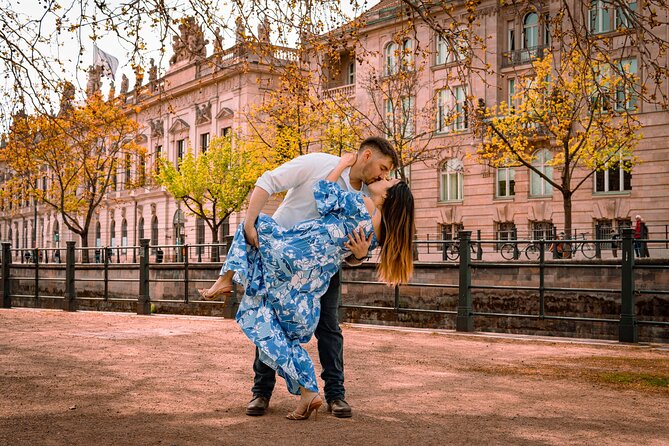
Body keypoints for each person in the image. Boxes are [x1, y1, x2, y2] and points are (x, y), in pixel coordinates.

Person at [203, 153, 414, 420]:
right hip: (314, 275)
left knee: (253, 226)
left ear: (389, 196)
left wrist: (341, 165)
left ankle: (227, 277)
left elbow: (323, 192)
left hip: (296, 254)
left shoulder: (364, 204)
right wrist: (360, 255)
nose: (383, 177)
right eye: (384, 171)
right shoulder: (384, 230)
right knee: (289, 330)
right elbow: (352, 252)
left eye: (388, 179)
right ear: (369, 155)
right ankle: (305, 393)